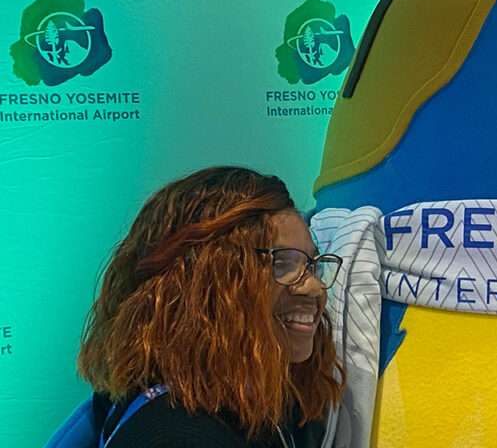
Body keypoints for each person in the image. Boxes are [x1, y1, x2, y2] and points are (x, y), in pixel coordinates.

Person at [73, 166, 344, 447]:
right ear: (201, 282)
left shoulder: (259, 402)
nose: (314, 287)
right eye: (281, 263)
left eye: (311, 265)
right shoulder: (178, 434)